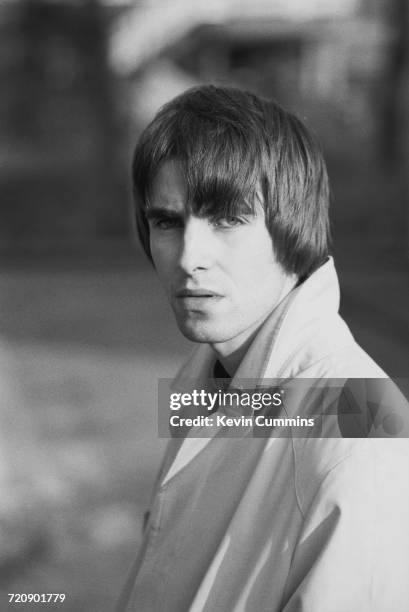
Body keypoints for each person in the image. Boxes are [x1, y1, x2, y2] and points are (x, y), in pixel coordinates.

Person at [117, 85, 409, 611]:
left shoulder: (367, 432)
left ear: (292, 226)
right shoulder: (206, 375)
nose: (189, 257)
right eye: (167, 221)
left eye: (227, 218)